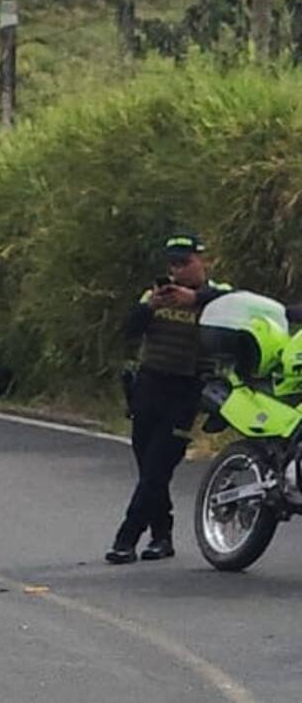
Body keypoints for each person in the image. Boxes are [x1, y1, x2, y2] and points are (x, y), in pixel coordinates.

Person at [106, 234, 233, 565]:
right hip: (149, 386)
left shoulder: (217, 298)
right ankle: (162, 536)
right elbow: (127, 330)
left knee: (158, 468)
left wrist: (195, 297)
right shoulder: (154, 296)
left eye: (184, 262)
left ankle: (126, 538)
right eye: (172, 264)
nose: (177, 270)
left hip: (186, 391)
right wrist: (149, 308)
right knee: (146, 464)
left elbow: (238, 302)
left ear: (201, 260)